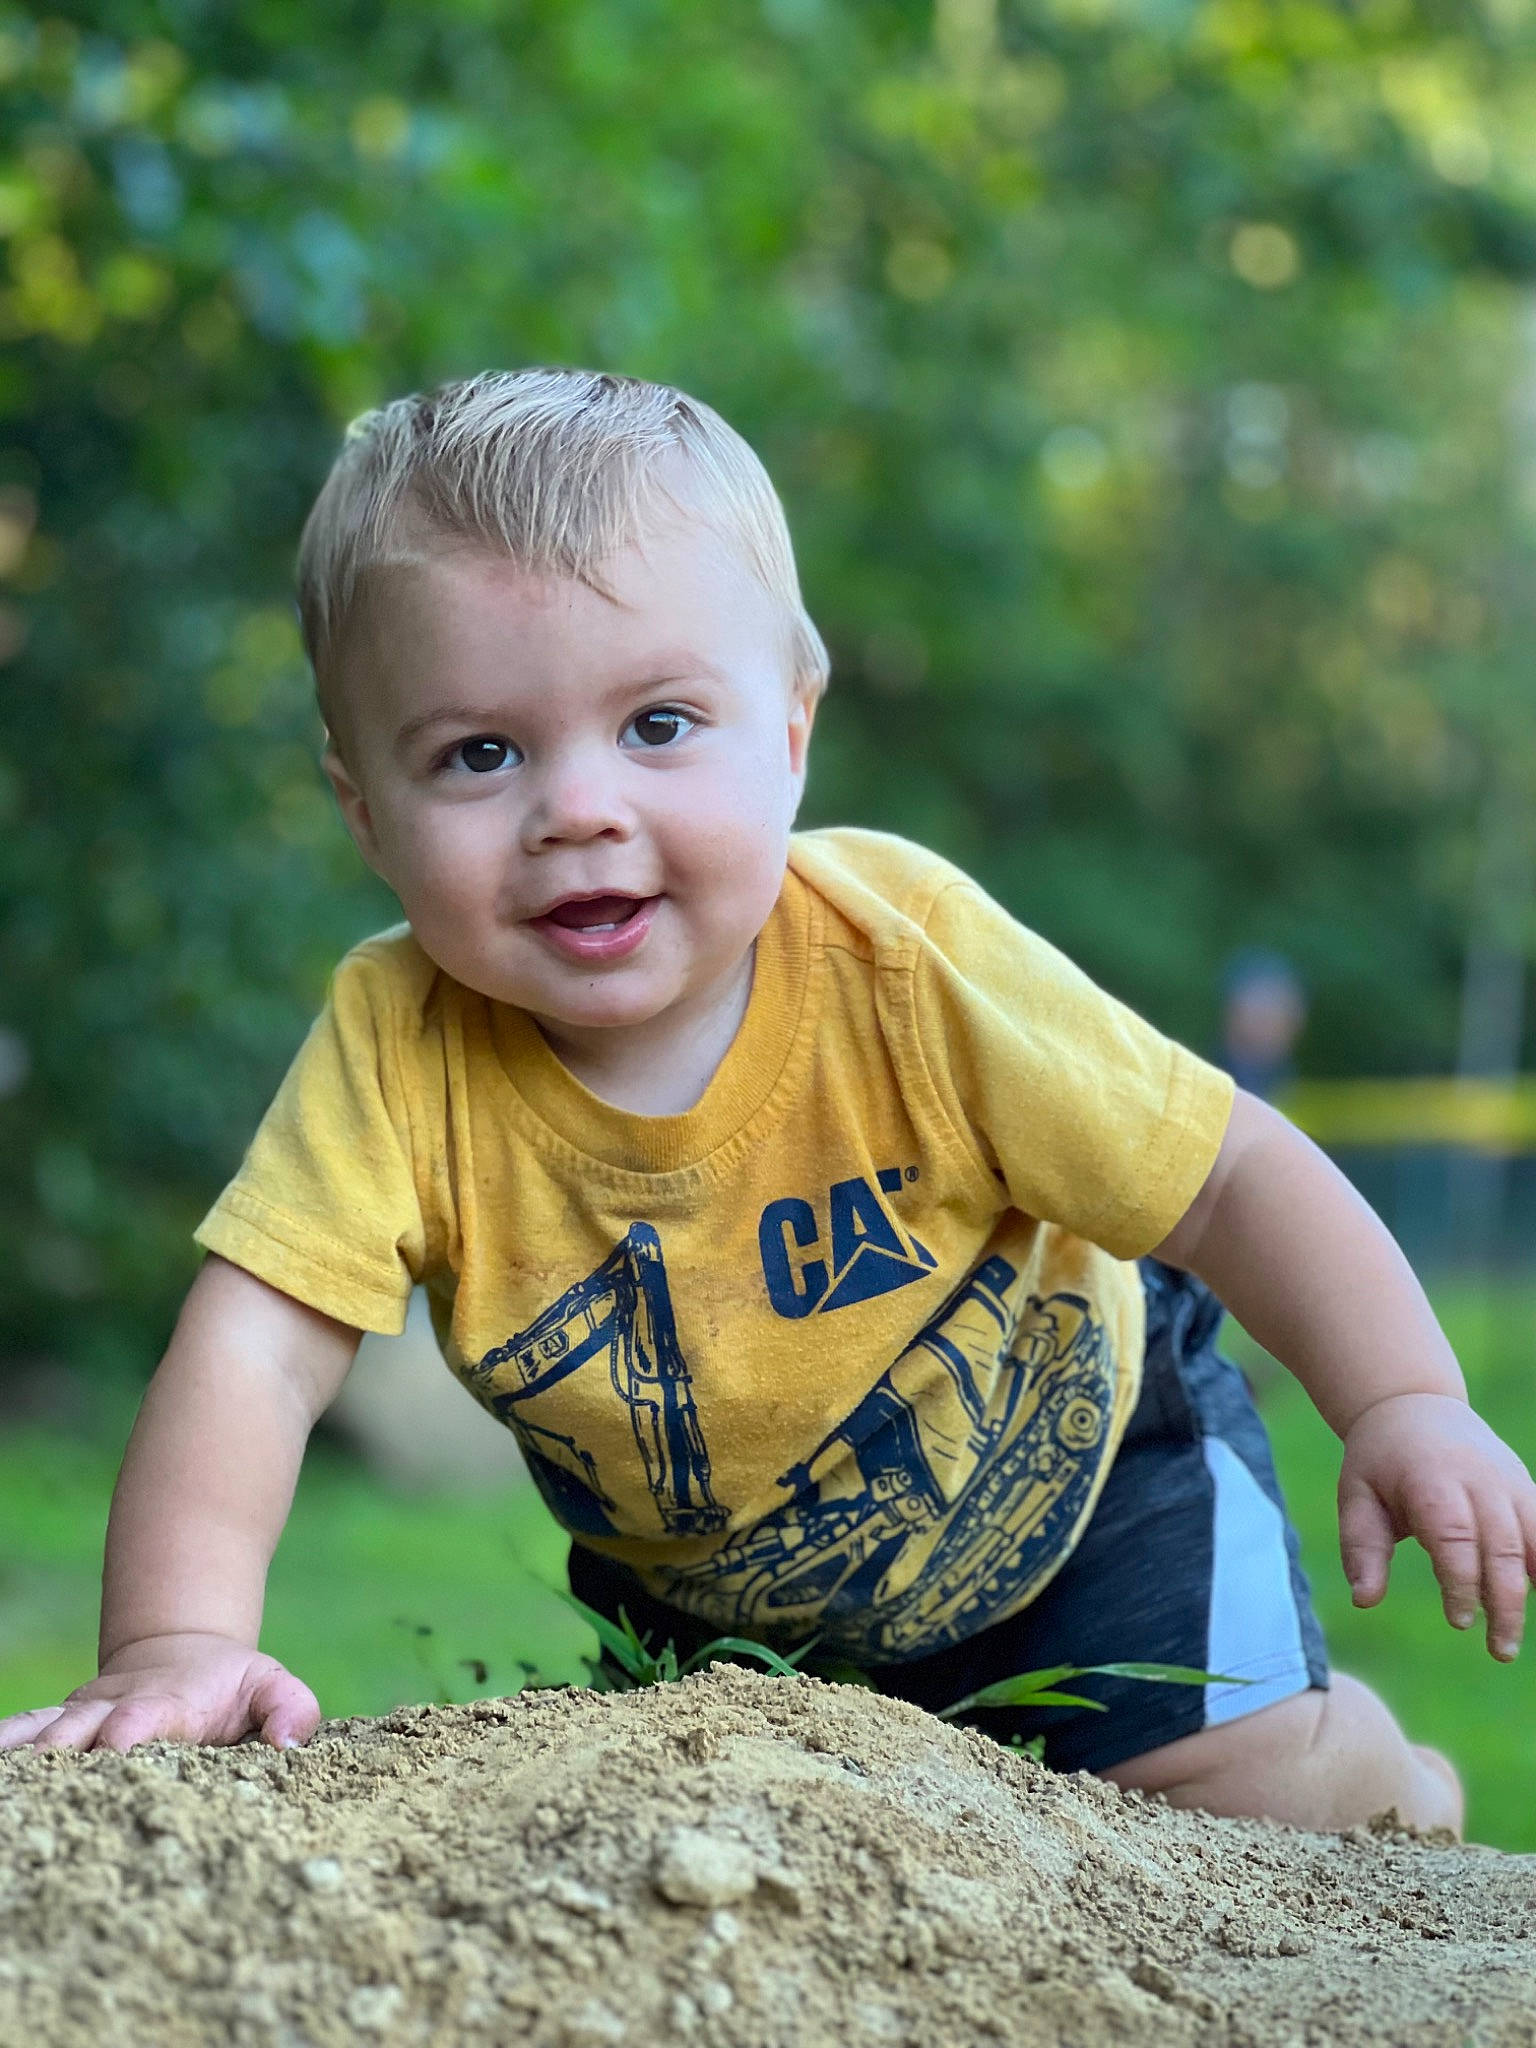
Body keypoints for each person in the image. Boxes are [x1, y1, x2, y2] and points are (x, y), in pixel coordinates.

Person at [5, 372, 1531, 1838]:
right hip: (724, 1617)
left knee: (1242, 1793)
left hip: (1085, 1498)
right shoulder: (397, 1042)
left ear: (791, 728)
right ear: (365, 810)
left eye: (658, 724)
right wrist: (175, 1641)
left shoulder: (901, 960)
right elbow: (258, 1349)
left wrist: (1406, 1402)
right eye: (479, 753)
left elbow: (1225, 1177)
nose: (580, 806)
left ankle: (1391, 1794)